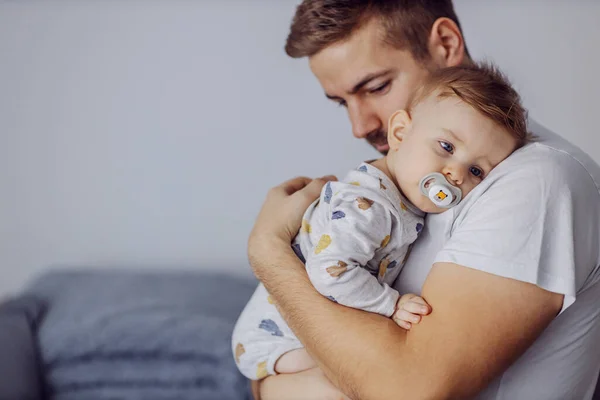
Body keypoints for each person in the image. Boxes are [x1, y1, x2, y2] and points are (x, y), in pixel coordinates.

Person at [247, 1, 600, 399]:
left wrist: (268, 253)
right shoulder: (413, 181)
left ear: (446, 44)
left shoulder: (537, 182)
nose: (358, 125)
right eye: (343, 102)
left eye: (377, 87)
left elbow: (409, 391)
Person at [233, 62, 529, 381]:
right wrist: (391, 304)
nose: (455, 174)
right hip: (275, 342)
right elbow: (330, 271)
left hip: (296, 333)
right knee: (350, 381)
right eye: (446, 147)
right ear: (400, 133)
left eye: (476, 171)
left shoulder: (403, 199)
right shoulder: (369, 206)